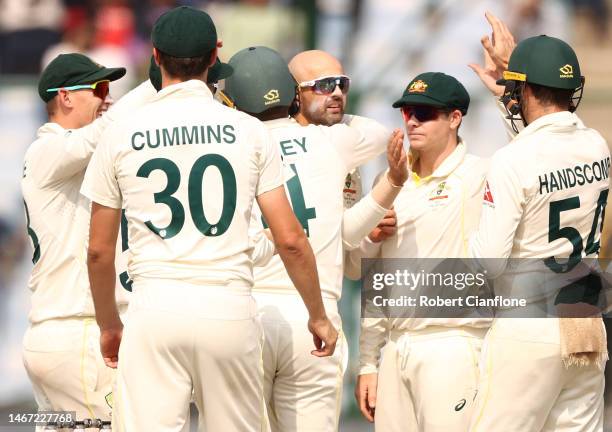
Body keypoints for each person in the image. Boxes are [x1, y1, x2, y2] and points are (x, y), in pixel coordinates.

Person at [80, 7, 337, 432]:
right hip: (228, 306)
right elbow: (290, 239)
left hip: (155, 306)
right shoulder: (248, 130)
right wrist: (318, 314)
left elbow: (98, 251)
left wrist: (109, 323)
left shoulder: (120, 133)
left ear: (156, 56)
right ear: (215, 57)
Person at [224, 45, 406, 432]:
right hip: (313, 313)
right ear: (293, 93)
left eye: (341, 84)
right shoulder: (335, 143)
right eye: (323, 85)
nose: (337, 93)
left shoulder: (235, 147)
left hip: (246, 311)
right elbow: (376, 132)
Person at [467, 19, 610, 432]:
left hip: (528, 326)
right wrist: (515, 83)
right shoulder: (596, 144)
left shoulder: (513, 159)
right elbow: (543, 148)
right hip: (585, 321)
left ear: (524, 92)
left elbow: (488, 262)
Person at [347, 72, 492, 431]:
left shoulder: (478, 176)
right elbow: (375, 276)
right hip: (397, 346)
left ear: (454, 118)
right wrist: (368, 362)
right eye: (408, 111)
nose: (412, 121)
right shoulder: (392, 180)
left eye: (425, 113)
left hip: (453, 344)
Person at [21, 52, 126, 424]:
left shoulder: (79, 156)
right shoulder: (48, 148)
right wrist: (168, 83)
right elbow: (106, 130)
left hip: (62, 336)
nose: (107, 98)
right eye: (99, 88)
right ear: (65, 96)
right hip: (78, 334)